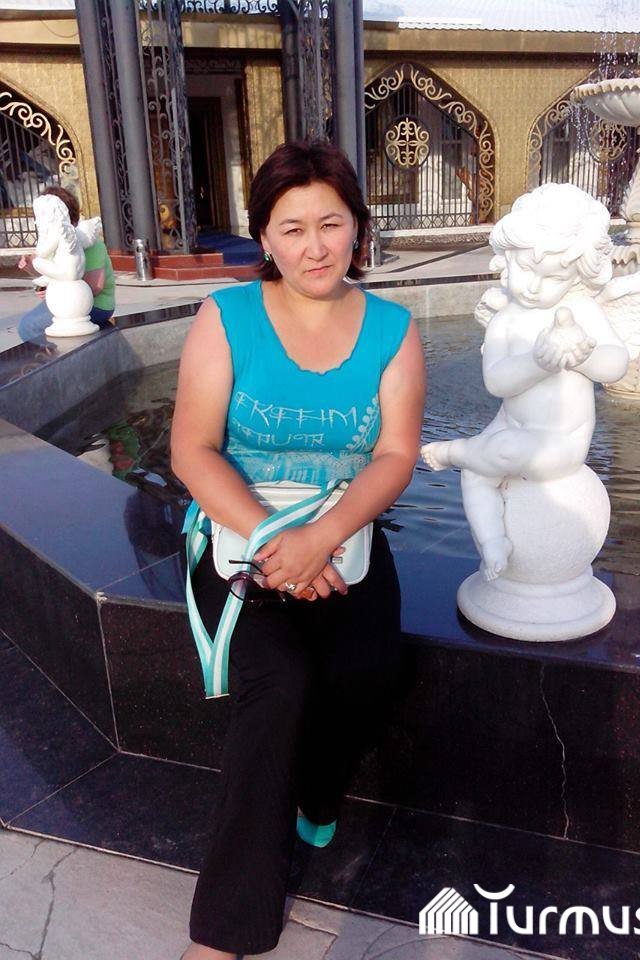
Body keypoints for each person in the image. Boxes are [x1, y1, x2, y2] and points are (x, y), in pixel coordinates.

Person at [170, 140, 425, 960]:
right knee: (277, 685)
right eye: (292, 228)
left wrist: (322, 538)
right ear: (265, 239)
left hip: (343, 538)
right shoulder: (226, 318)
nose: (315, 246)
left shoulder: (393, 330)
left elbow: (396, 454)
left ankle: (318, 793)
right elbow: (193, 450)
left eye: (331, 223)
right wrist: (279, 542)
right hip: (239, 541)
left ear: (358, 229)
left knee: (364, 671)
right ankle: (225, 933)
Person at [17, 185, 115, 342]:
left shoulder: (91, 244)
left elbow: (95, 287)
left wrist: (54, 290)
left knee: (30, 326)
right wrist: (31, 267)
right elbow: (49, 272)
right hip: (64, 299)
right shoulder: (53, 242)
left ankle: (57, 354)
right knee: (27, 325)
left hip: (95, 305)